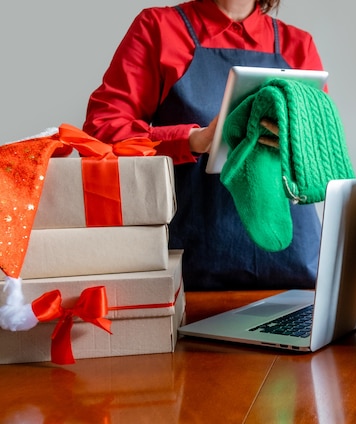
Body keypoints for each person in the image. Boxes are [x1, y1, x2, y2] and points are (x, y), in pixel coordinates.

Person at [83, 0, 325, 291]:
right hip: (189, 268)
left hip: (292, 268)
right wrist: (190, 139)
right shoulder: (159, 29)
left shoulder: (298, 44)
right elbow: (102, 130)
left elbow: (317, 154)